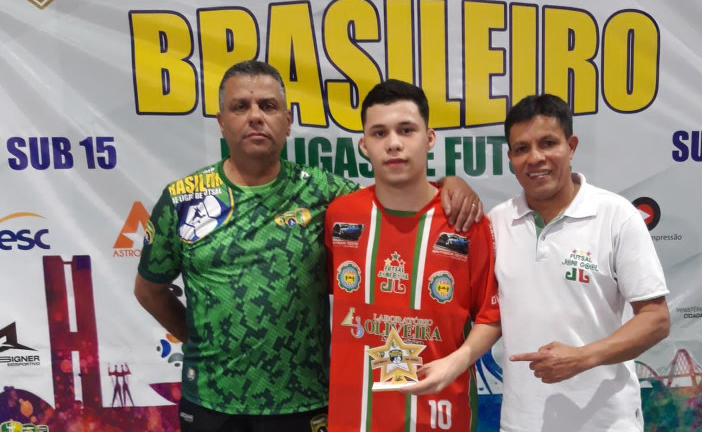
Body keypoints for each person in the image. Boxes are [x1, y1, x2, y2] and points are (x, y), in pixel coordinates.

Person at [134, 60, 481, 432]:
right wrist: (206, 341)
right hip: (211, 401)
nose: (255, 117)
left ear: (288, 119)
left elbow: (398, 195)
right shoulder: (184, 198)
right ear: (221, 121)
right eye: (240, 107)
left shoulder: (327, 194)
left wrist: (449, 182)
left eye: (267, 106)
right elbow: (150, 291)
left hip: (303, 403)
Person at [324, 80, 501, 432]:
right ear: (363, 145)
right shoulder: (340, 216)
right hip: (354, 415)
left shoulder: (466, 222)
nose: (393, 143)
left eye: (406, 130)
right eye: (379, 133)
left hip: (439, 413)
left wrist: (457, 362)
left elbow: (492, 315)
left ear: (429, 137)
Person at [488, 94, 670, 432]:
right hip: (522, 422)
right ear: (511, 157)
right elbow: (485, 316)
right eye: (521, 148)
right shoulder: (496, 223)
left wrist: (583, 357)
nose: (536, 158)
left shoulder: (616, 216)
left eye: (548, 143)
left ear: (571, 146)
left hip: (605, 421)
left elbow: (656, 319)